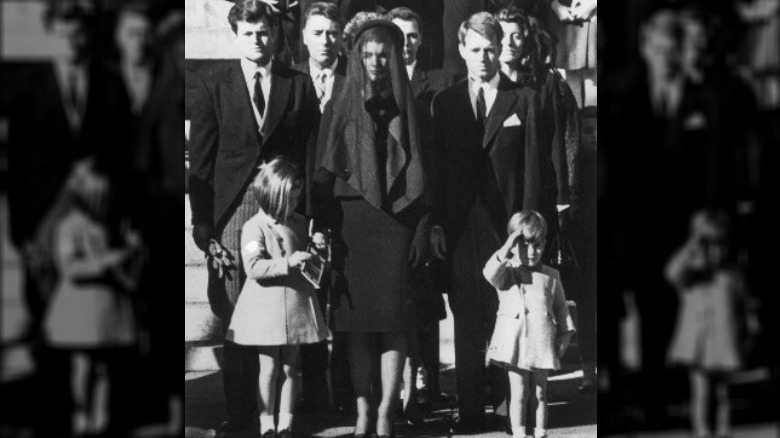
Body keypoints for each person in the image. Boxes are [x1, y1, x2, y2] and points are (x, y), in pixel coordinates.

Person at [187, 1, 319, 436]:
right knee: (232, 310)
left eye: (264, 32)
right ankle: (240, 411)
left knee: (282, 307)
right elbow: (201, 161)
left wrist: (310, 216)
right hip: (231, 211)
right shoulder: (211, 83)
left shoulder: (296, 85)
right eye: (248, 33)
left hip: (284, 210)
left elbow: (309, 154)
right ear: (235, 35)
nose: (258, 40)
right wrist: (202, 224)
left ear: (273, 33)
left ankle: (284, 413)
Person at [429, 11, 554, 434]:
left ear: (502, 51)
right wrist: (437, 225)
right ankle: (469, 414)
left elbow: (535, 168)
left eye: (491, 49)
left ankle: (507, 410)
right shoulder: (444, 103)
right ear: (461, 50)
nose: (483, 58)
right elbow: (438, 170)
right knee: (466, 317)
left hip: (509, 228)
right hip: (462, 226)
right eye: (475, 50)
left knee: (510, 316)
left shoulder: (523, 99)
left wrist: (527, 231)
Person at [311, 18, 429, 438]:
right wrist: (321, 227)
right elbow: (320, 174)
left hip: (396, 224)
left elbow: (422, 175)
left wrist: (420, 229)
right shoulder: (339, 103)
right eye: (368, 54)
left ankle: (385, 413)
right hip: (351, 223)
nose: (376, 61)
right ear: (357, 57)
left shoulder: (407, 104)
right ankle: (362, 409)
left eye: (384, 54)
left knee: (394, 320)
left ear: (394, 57)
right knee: (356, 325)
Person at [227, 157, 330, 438]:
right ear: (273, 196)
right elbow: (253, 266)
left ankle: (286, 423)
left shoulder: (299, 222)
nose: (295, 205)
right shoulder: (255, 226)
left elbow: (309, 256)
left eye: (297, 199)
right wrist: (289, 262)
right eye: (290, 200)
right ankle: (266, 424)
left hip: (295, 306)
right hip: (266, 310)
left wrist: (317, 248)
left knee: (290, 367)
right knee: (269, 367)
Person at [386, 5, 453, 425]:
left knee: (425, 300)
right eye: (399, 35)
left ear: (420, 40)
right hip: (390, 210)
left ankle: (427, 380)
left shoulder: (439, 85)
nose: (406, 42)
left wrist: (435, 220)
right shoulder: (375, 81)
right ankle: (392, 388)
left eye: (412, 35)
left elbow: (443, 160)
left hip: (426, 206)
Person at [43, 164, 143, 437]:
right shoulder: (69, 225)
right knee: (83, 367)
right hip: (79, 311)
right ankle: (81, 417)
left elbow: (122, 268)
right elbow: (70, 268)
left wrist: (130, 253)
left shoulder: (108, 225)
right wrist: (111, 258)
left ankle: (101, 419)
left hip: (107, 310)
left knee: (104, 369)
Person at [291, 1, 351, 414]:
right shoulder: (290, 81)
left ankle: (346, 396)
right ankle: (312, 400)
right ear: (304, 37)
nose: (325, 41)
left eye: (332, 33)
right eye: (317, 33)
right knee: (307, 301)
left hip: (346, 207)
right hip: (300, 204)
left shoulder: (353, 79)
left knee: (344, 301)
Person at [484, 210, 575, 438]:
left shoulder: (551, 275)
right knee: (519, 394)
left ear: (544, 243)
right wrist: (507, 246)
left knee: (540, 393)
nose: (532, 252)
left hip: (541, 342)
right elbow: (488, 272)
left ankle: (541, 432)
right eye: (524, 245)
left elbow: (561, 308)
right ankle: (519, 433)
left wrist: (565, 334)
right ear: (514, 245)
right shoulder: (508, 273)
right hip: (516, 346)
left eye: (537, 245)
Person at [665, 210, 756, 438]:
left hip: (725, 346)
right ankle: (702, 432)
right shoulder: (693, 275)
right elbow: (672, 272)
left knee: (724, 395)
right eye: (711, 246)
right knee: (701, 394)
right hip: (698, 348)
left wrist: (749, 334)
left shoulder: (733, 276)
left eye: (721, 246)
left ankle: (724, 432)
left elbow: (744, 309)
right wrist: (695, 239)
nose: (717, 252)